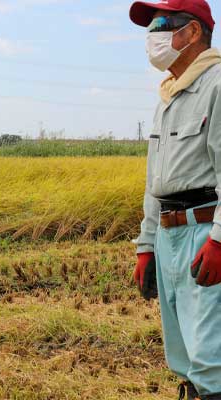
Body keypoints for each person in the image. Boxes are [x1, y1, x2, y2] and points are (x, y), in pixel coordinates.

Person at [130, 0, 221, 398]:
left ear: (194, 32)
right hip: (169, 239)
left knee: (211, 355)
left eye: (163, 23)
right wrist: (147, 247)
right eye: (150, 26)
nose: (154, 35)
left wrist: (220, 241)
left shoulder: (217, 85)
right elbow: (157, 182)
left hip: (205, 233)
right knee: (182, 353)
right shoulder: (167, 97)